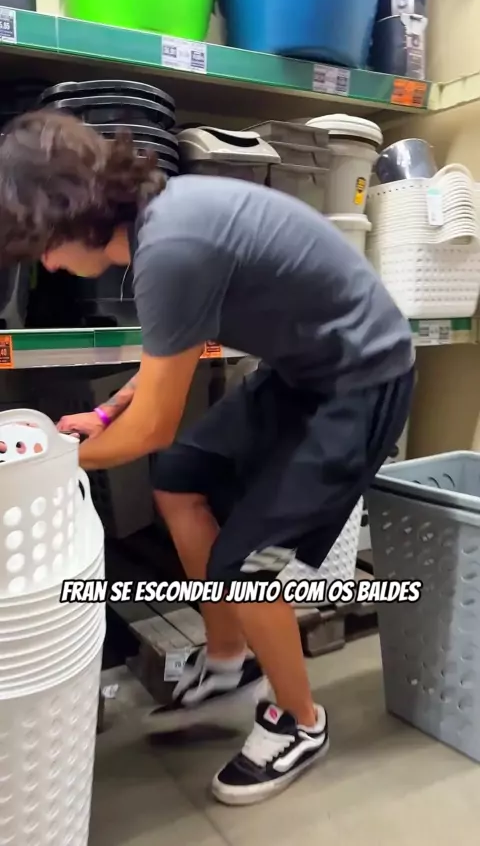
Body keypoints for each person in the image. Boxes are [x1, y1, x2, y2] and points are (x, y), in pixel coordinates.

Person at [0, 111, 414, 806]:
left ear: (73, 215)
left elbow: (153, 427)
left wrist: (46, 469)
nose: (45, 263)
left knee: (246, 565)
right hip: (303, 371)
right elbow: (168, 359)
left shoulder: (172, 245)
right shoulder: (163, 225)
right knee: (179, 478)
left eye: (42, 243)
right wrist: (102, 417)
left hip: (363, 378)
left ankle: (301, 722)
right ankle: (229, 660)